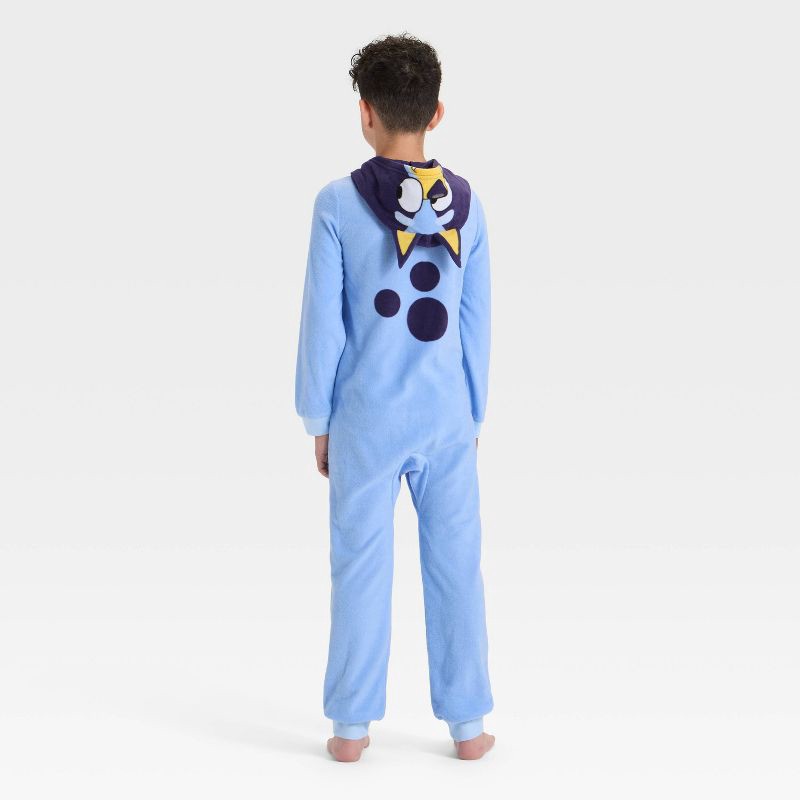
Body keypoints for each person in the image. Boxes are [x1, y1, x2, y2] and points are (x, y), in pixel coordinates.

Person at [294, 33, 495, 762]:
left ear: (365, 112)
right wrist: (473, 412)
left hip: (364, 419)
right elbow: (475, 323)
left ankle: (350, 730)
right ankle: (468, 727)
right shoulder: (468, 206)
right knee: (456, 567)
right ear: (436, 113)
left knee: (358, 567)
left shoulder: (336, 204)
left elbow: (322, 324)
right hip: (445, 418)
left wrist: (318, 419)